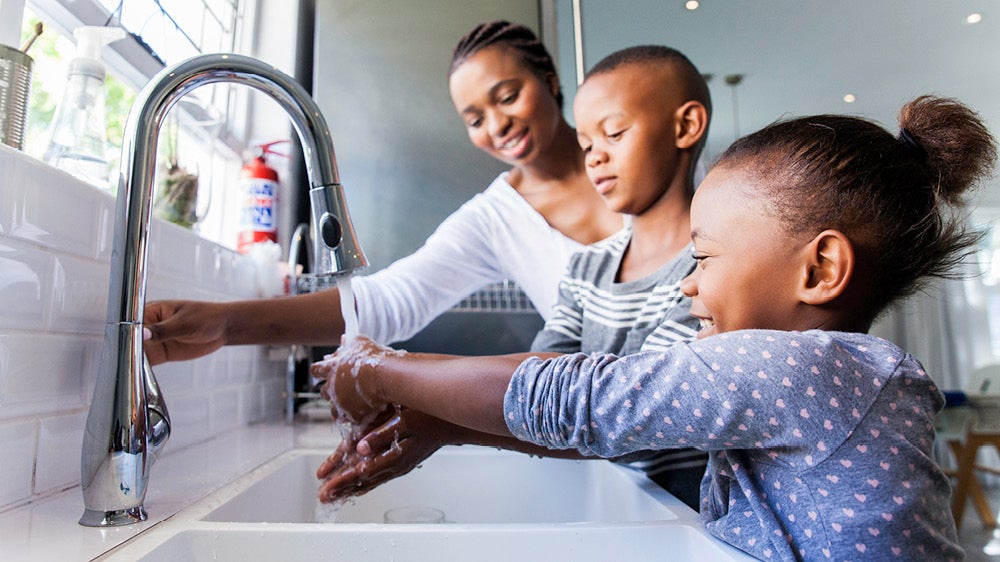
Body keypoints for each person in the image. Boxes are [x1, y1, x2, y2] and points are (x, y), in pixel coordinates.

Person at [313, 95, 996, 560]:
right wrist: (450, 423)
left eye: (704, 257)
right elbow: (620, 422)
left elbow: (579, 398)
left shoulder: (803, 368)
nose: (689, 280)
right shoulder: (818, 376)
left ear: (819, 269)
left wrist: (374, 367)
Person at [317, 45, 711, 510]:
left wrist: (387, 372)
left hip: (697, 524)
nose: (595, 158)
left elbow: (626, 410)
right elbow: (545, 380)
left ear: (685, 126)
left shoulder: (711, 270)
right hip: (628, 506)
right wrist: (442, 422)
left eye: (615, 134)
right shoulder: (587, 270)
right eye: (586, 144)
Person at [141, 20, 622, 363]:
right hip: (633, 448)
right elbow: (389, 301)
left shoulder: (629, 151)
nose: (497, 125)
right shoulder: (495, 220)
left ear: (550, 81)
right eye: (475, 119)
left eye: (508, 96)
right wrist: (226, 324)